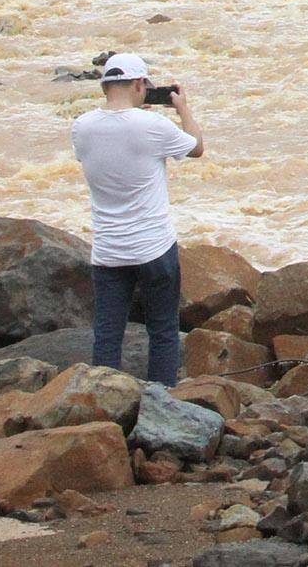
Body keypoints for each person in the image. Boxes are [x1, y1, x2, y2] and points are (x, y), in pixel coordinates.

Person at [70, 52, 204, 385]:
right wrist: (183, 108)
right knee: (163, 331)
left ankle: (104, 398)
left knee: (107, 334)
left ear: (104, 88)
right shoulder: (153, 125)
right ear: (140, 85)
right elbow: (197, 147)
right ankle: (162, 399)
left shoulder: (82, 127)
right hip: (154, 248)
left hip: (108, 251)